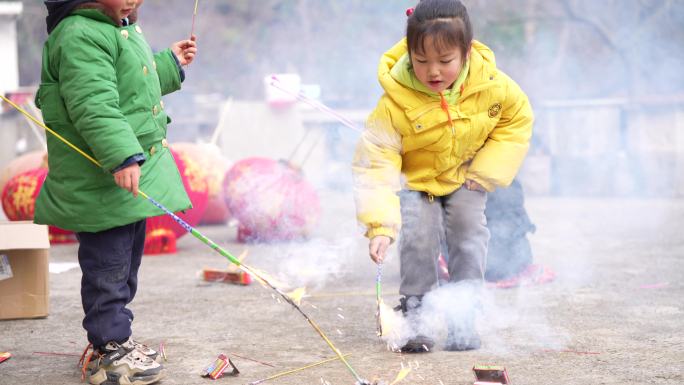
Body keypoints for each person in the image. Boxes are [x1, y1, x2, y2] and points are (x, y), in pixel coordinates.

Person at [352, 0, 533, 353]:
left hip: (466, 177)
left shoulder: (493, 86)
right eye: (421, 62)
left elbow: (516, 121)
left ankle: (463, 314)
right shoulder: (394, 102)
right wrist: (380, 227)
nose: (433, 71)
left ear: (465, 52)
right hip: (419, 183)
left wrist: (487, 171)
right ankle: (416, 316)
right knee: (419, 234)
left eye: (445, 61)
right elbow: (375, 162)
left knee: (468, 232)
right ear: (409, 53)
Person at [34, 0, 197, 383]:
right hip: (99, 179)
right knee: (108, 269)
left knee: (124, 267)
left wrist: (169, 63)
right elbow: (94, 103)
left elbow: (133, 81)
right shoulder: (78, 35)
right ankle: (111, 352)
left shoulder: (115, 28)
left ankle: (112, 343)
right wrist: (122, 155)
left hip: (122, 182)